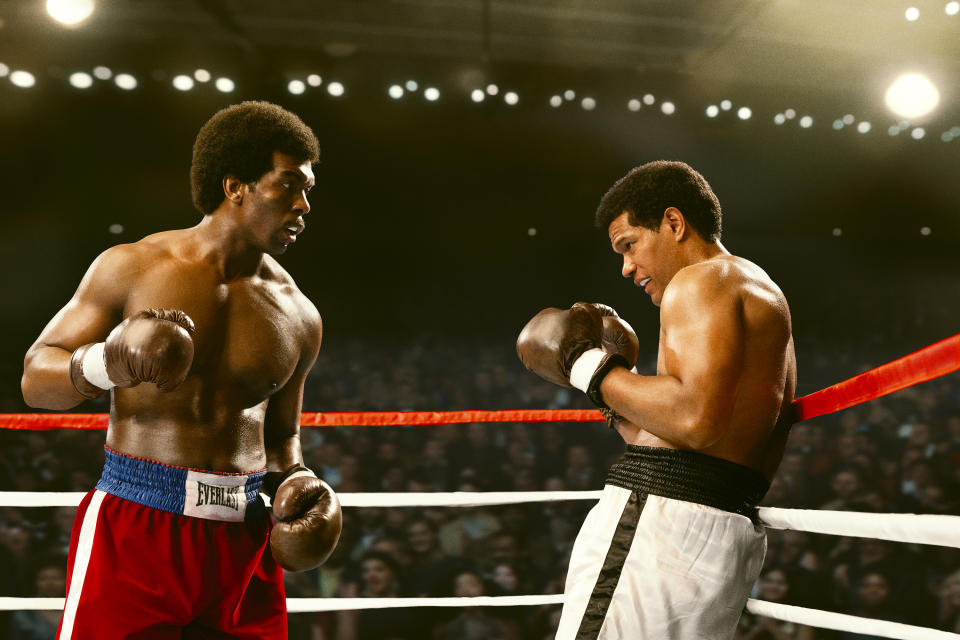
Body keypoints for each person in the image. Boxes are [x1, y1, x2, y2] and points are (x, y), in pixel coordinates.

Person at [21, 101, 342, 639]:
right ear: (236, 186)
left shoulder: (300, 315)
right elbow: (35, 377)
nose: (304, 204)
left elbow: (283, 442)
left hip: (243, 539)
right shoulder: (133, 266)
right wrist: (109, 362)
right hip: (138, 526)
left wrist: (306, 489)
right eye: (288, 184)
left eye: (308, 188)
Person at [516, 160, 797, 639]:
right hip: (717, 531)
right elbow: (696, 437)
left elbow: (693, 419)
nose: (626, 268)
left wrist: (584, 364)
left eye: (630, 245)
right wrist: (608, 390)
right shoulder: (759, 289)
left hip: (658, 527)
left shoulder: (700, 280)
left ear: (673, 222)